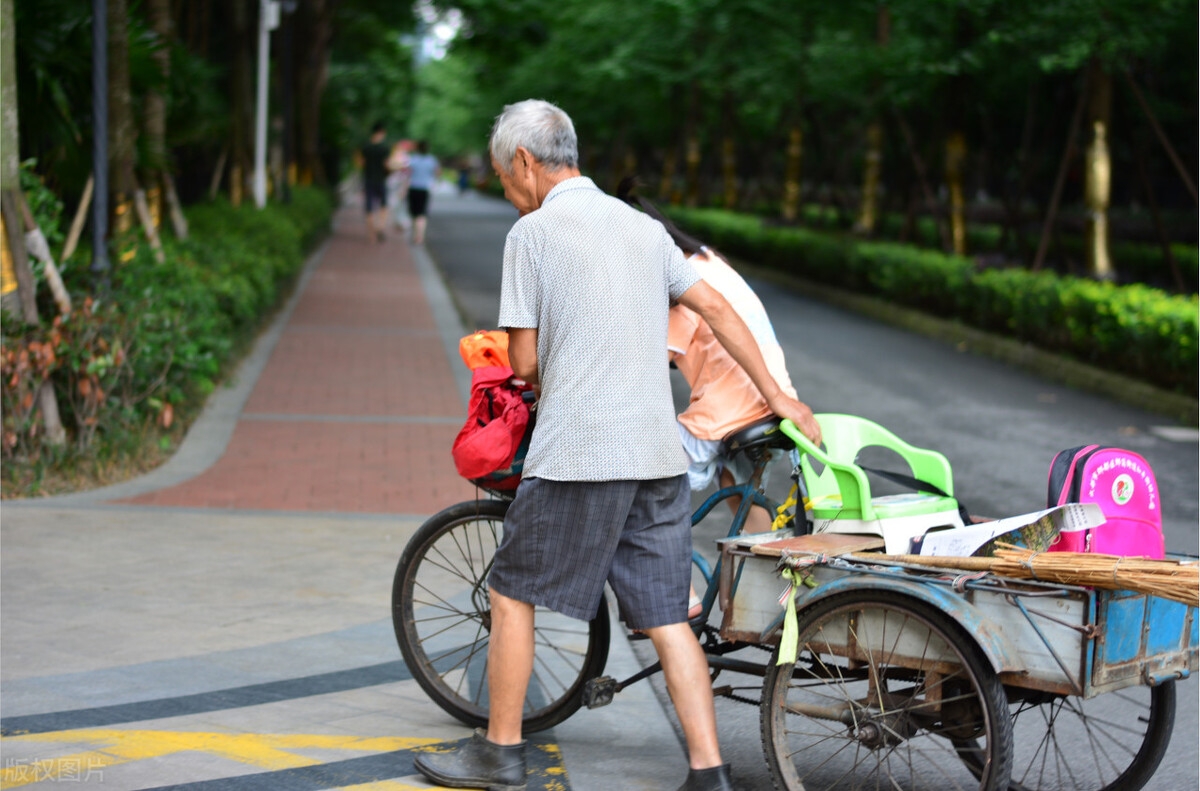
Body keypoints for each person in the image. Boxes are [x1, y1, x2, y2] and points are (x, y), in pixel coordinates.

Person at [412, 100, 821, 791]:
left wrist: (536, 360)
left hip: (579, 454)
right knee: (666, 616)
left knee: (510, 592)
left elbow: (526, 362)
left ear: (524, 162)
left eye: (504, 179)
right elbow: (717, 309)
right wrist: (780, 397)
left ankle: (500, 751)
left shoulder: (532, 235)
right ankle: (709, 773)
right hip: (655, 456)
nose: (508, 193)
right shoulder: (644, 229)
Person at [618, 182, 818, 620]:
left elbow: (641, 367)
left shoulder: (681, 287)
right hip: (772, 404)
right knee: (740, 495)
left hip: (727, 413)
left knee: (630, 484)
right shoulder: (709, 260)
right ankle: (768, 603)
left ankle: (679, 595)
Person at [360, 122, 391, 243]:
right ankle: (380, 227)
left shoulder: (366, 147)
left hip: (368, 179)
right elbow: (386, 165)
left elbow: (362, 163)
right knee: (384, 205)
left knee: (369, 207)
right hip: (381, 180)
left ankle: (371, 235)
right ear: (381, 132)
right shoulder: (384, 148)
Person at [405, 140, 440, 245]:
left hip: (413, 188)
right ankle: (420, 237)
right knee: (422, 214)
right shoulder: (431, 160)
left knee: (414, 213)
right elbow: (437, 173)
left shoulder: (413, 159)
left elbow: (407, 173)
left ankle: (415, 235)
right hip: (424, 189)